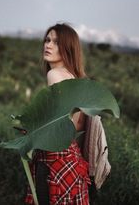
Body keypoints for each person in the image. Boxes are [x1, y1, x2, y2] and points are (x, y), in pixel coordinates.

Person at [25, 23, 91, 205]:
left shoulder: (54, 75)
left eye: (56, 42)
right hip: (73, 162)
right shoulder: (76, 79)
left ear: (67, 48)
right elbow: (76, 126)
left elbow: (58, 124)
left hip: (54, 162)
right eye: (47, 40)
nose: (48, 45)